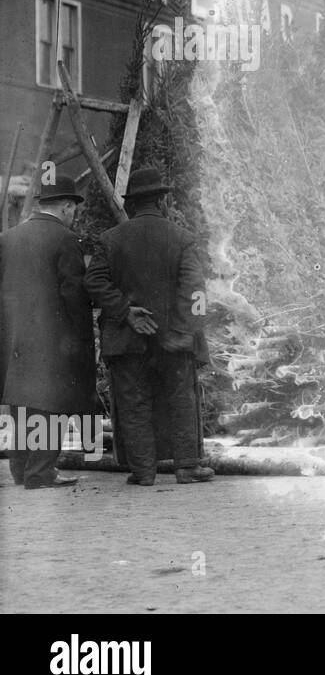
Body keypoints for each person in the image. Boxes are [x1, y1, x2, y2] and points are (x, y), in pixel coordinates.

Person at [84, 168, 213, 486]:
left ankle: (143, 472)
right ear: (161, 201)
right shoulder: (182, 238)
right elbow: (195, 291)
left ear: (134, 204)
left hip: (127, 339)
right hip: (174, 340)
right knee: (181, 398)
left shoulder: (109, 239)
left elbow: (94, 281)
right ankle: (186, 467)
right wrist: (183, 332)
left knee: (133, 402)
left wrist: (127, 311)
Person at [0, 175, 95, 489]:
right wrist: (83, 338)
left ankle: (20, 470)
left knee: (21, 403)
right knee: (52, 402)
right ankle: (41, 473)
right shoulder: (65, 239)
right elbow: (74, 295)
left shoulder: (8, 237)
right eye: (74, 209)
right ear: (67, 207)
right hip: (54, 339)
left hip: (13, 337)